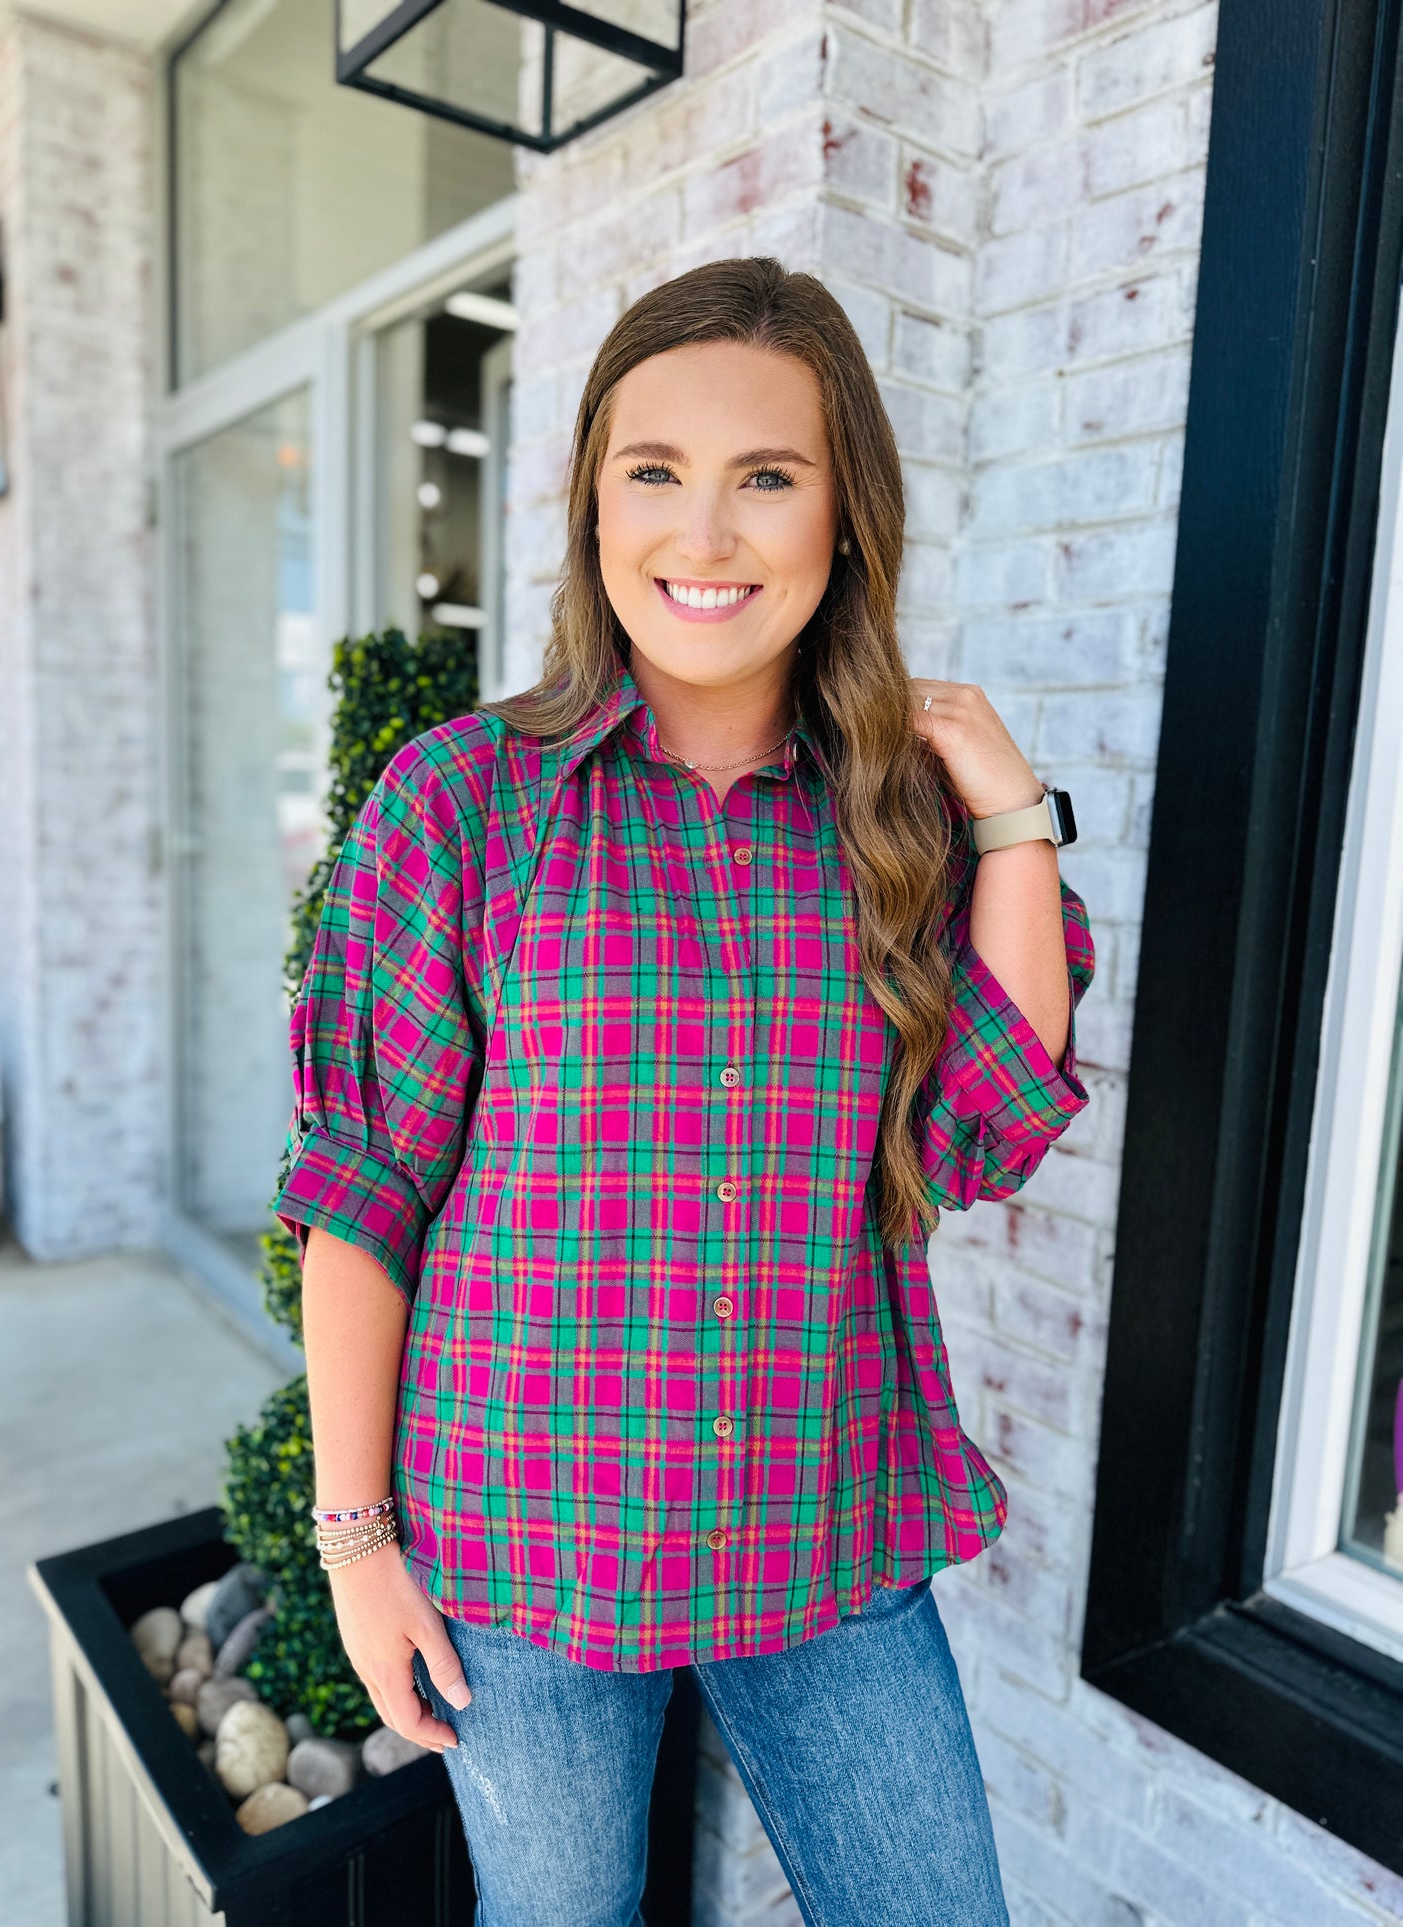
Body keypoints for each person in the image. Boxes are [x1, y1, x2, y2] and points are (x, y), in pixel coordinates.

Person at [276, 255, 1094, 1927]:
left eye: (766, 479)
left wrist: (1009, 822)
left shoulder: (901, 825)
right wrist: (359, 1545)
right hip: (523, 1536)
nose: (702, 537)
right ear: (591, 503)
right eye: (653, 473)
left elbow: (988, 1128)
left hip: (825, 1510)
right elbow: (362, 1189)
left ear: (843, 517)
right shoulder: (462, 806)